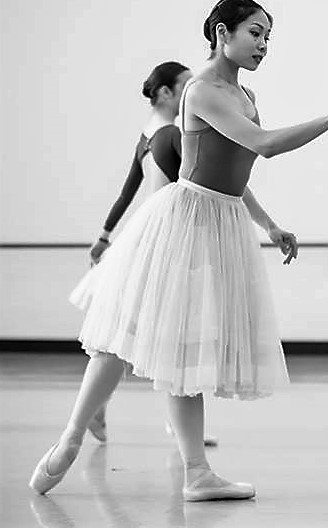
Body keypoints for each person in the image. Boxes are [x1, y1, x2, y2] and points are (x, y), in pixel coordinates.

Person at [30, 0, 328, 501]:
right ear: (222, 32)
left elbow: (238, 165)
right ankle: (72, 436)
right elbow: (265, 144)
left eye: (269, 36)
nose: (264, 44)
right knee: (126, 331)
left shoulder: (241, 94)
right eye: (255, 33)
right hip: (186, 221)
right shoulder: (203, 89)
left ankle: (196, 472)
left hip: (221, 221)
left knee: (187, 346)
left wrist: (269, 224)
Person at [76, 61, 223, 447]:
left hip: (147, 240)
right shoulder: (173, 134)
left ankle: (163, 422)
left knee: (143, 332)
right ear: (164, 94)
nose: (194, 93)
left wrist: (105, 235)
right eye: (186, 86)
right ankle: (97, 413)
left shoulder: (146, 137)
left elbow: (126, 193)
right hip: (168, 244)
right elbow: (206, 179)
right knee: (162, 333)